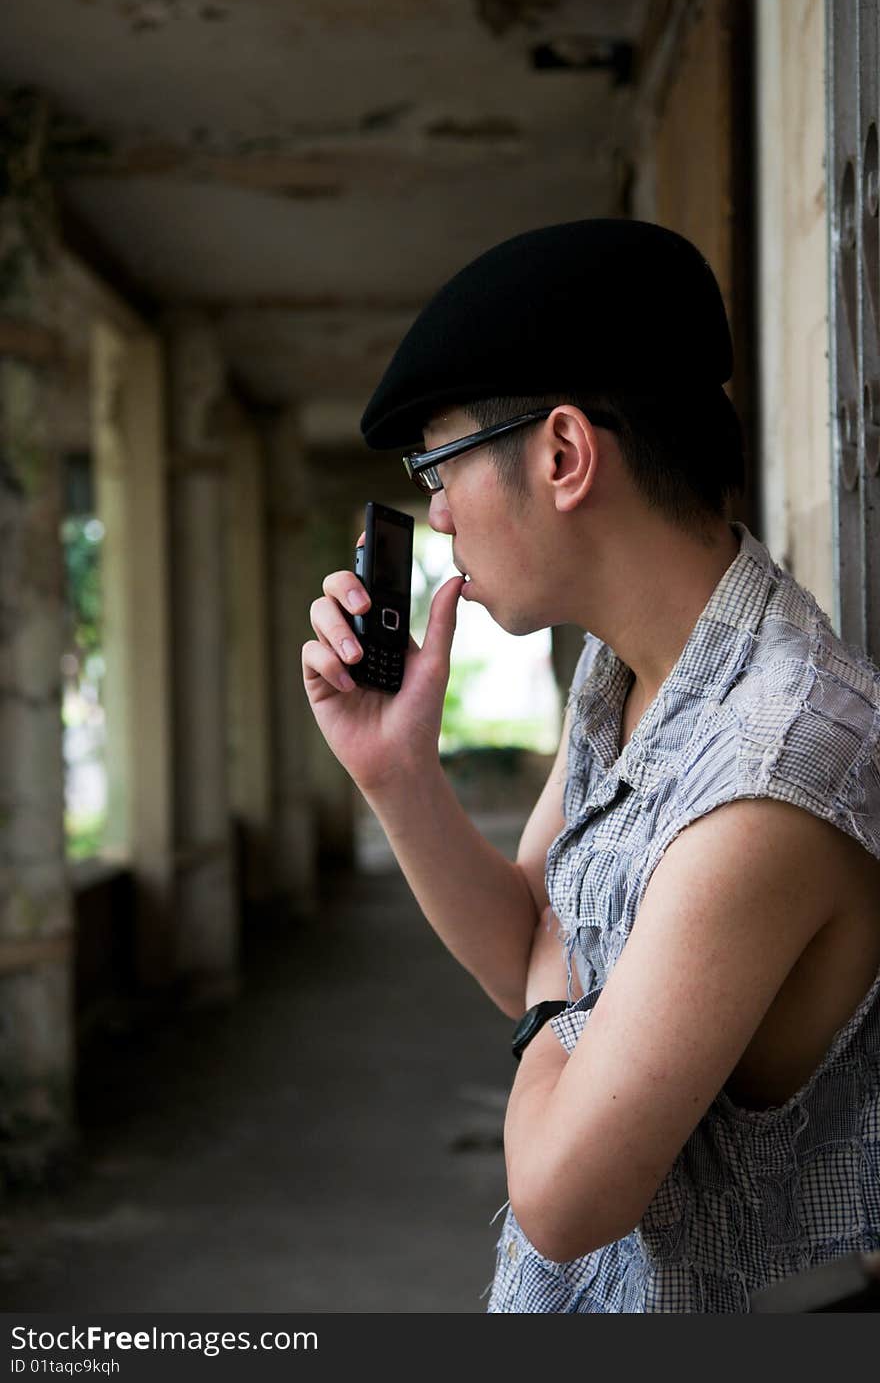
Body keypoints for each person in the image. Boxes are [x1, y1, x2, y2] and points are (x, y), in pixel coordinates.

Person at [301, 219, 880, 1312]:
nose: (434, 512)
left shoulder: (772, 767)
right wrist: (395, 774)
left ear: (563, 455)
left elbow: (562, 1196)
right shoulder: (630, 675)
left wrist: (550, 997)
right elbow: (530, 939)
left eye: (438, 464)